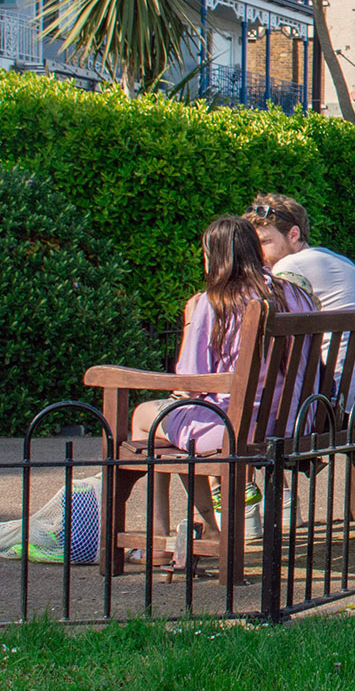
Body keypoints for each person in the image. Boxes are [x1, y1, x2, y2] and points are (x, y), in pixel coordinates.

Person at [129, 216, 317, 566]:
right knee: (177, 425)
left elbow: (189, 378)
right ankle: (211, 527)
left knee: (146, 419)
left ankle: (162, 538)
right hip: (292, 422)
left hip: (234, 428)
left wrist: (177, 396)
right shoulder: (294, 294)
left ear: (213, 257)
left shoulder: (213, 301)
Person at [242, 193, 355, 315]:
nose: (258, 251)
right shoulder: (341, 260)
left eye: (265, 242)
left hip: (331, 347)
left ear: (293, 235)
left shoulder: (289, 266)